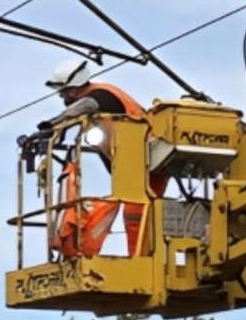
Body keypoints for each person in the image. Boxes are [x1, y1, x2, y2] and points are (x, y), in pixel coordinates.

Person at [39, 59, 167, 257]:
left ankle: (142, 263)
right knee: (137, 211)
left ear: (74, 87)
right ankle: (142, 260)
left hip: (149, 161)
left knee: (137, 212)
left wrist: (52, 125)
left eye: (64, 91)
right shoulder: (96, 107)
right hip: (137, 165)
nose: (63, 96)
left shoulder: (101, 95)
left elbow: (86, 105)